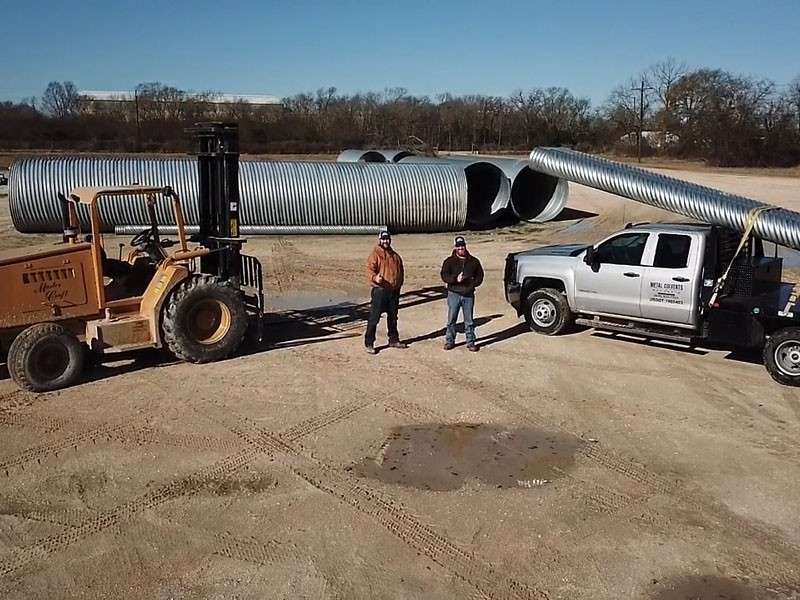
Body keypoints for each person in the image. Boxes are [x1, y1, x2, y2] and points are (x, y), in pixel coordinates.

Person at [364, 230, 408, 354]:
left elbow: (400, 271)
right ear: (380, 240)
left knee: (393, 317)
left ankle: (393, 339)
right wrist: (374, 278)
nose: (386, 241)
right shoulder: (375, 254)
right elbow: (369, 269)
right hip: (380, 291)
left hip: (393, 291)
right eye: (383, 239)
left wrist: (398, 285)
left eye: (387, 239)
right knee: (374, 318)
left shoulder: (395, 256)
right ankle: (369, 342)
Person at [440, 236, 484, 351]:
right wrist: (455, 279)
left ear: (465, 246)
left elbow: (480, 276)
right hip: (454, 293)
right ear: (455, 248)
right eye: (458, 246)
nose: (461, 248)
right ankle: (450, 341)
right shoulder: (449, 261)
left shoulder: (474, 261)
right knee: (451, 319)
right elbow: (444, 276)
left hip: (468, 295)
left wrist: (473, 284)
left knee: (469, 321)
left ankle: (470, 342)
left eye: (462, 246)